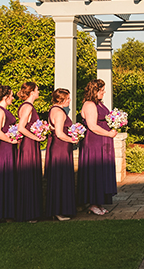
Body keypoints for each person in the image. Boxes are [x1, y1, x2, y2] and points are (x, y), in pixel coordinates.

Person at [79, 79, 118, 216]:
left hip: (103, 141)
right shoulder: (89, 104)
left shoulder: (99, 104)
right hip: (94, 142)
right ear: (95, 91)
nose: (104, 92)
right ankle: (93, 203)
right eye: (101, 90)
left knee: (102, 170)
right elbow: (92, 125)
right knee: (95, 170)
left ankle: (100, 201)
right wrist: (108, 133)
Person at [14, 81, 44, 223]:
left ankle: (33, 211)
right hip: (28, 144)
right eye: (37, 90)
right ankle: (28, 213)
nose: (38, 92)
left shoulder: (29, 106)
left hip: (31, 143)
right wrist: (36, 138)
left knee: (32, 175)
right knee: (28, 175)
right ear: (32, 92)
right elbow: (21, 127)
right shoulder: (27, 106)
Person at [45, 88, 76, 220]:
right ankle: (58, 211)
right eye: (68, 98)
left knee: (59, 177)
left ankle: (59, 209)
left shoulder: (53, 110)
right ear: (61, 100)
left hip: (58, 147)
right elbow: (59, 133)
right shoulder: (59, 112)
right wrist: (72, 139)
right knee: (60, 178)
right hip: (61, 148)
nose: (70, 100)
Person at [0, 85, 19, 222]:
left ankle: (9, 211)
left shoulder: (4, 110)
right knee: (6, 176)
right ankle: (4, 212)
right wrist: (10, 140)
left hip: (10, 146)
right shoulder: (0, 111)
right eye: (11, 95)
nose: (13, 98)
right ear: (5, 96)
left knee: (10, 176)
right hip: (5, 147)